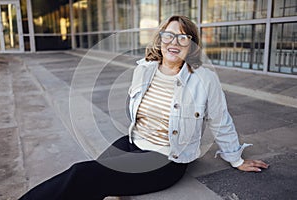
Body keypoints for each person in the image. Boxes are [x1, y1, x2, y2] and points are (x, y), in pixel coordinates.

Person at [19, 15, 269, 200]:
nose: (175, 41)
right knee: (94, 179)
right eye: (168, 35)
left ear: (191, 45)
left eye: (183, 37)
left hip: (164, 160)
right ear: (160, 39)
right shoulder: (145, 69)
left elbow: (220, 119)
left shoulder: (204, 79)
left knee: (81, 174)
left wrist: (236, 159)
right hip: (132, 143)